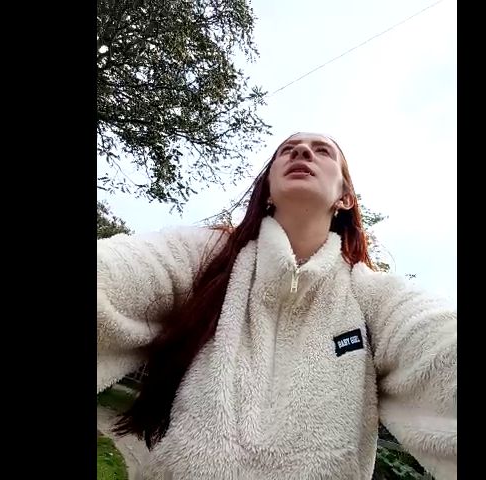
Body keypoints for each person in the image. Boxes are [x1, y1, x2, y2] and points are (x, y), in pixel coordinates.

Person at [97, 132, 457, 479]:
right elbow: (116, 272)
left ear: (345, 198)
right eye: (288, 149)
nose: (302, 152)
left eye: (322, 151)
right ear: (268, 190)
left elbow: (436, 343)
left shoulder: (372, 295)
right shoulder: (206, 255)